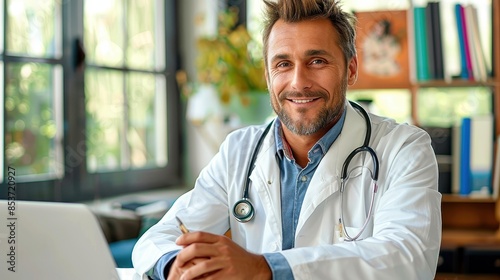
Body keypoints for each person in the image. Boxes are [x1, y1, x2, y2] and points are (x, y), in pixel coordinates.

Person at [132, 0, 442, 279]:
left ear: (350, 69)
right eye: (283, 64)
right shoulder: (239, 150)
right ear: (267, 77)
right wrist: (177, 265)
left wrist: (265, 269)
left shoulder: (404, 147)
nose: (299, 82)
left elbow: (407, 257)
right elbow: (162, 236)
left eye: (317, 61)